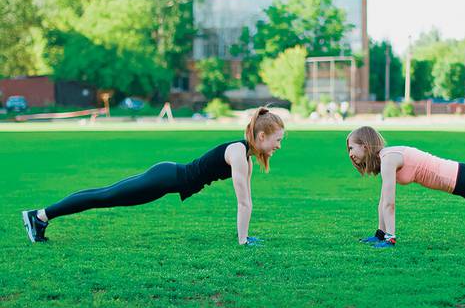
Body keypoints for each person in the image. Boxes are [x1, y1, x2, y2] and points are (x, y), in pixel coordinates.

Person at [22, 107, 284, 246]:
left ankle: (41, 217)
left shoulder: (245, 157)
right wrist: (242, 242)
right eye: (277, 140)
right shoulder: (238, 153)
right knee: (105, 196)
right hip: (165, 177)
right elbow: (244, 203)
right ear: (261, 136)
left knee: (106, 196)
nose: (278, 146)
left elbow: (246, 200)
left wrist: (245, 238)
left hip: (165, 181)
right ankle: (40, 216)